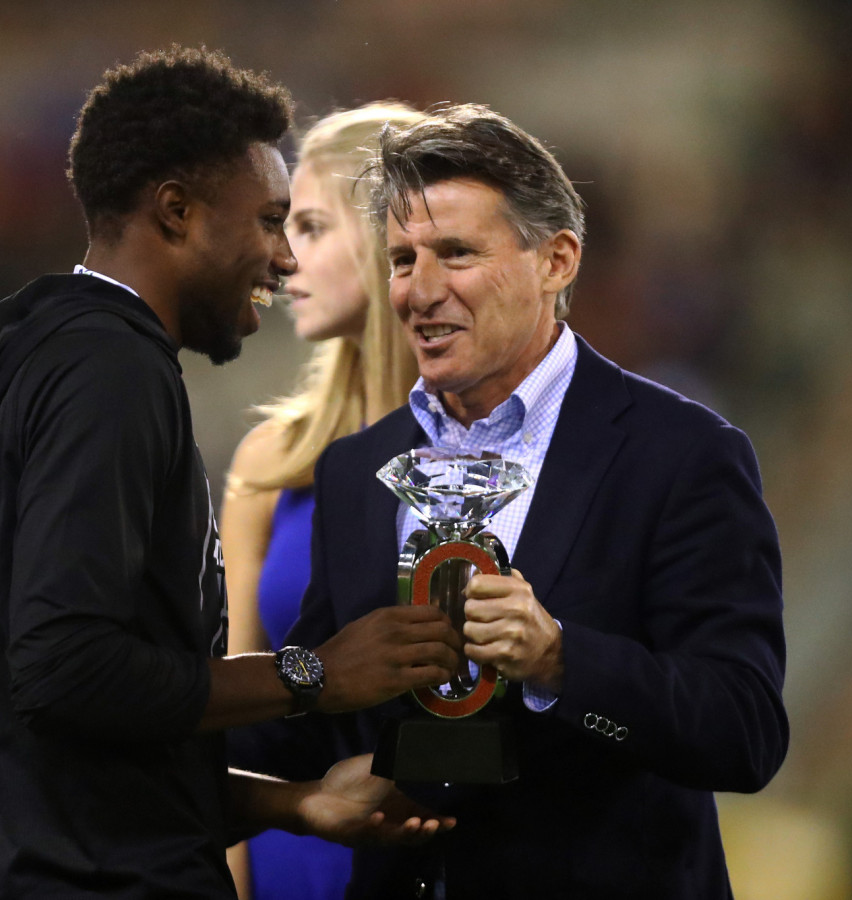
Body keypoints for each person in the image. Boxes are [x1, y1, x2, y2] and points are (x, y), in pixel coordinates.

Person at [227, 104, 789, 898]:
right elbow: (309, 727)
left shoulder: (682, 455)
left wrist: (562, 660)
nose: (420, 291)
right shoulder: (358, 469)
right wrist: (160, 701)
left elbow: (744, 734)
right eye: (400, 259)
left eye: (455, 253)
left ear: (556, 260)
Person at [0, 48, 462, 899]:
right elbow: (66, 669)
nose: (283, 259)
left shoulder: (58, 352)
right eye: (267, 222)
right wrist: (315, 674)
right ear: (177, 212)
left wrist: (294, 803)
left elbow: (97, 756)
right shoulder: (108, 370)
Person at [221, 102, 427, 900]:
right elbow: (230, 712)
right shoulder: (271, 462)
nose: (278, 258)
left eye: (308, 227)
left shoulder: (485, 458)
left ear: (387, 242)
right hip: (287, 852)